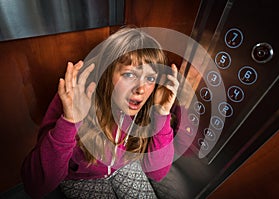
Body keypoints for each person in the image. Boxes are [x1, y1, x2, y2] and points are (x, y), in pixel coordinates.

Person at [21, 27, 180, 199]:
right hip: (81, 177)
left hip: (124, 165)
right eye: (129, 74)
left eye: (150, 78)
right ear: (107, 73)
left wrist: (162, 113)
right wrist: (70, 121)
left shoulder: (148, 106)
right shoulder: (76, 98)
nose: (141, 89)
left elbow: (156, 173)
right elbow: (35, 186)